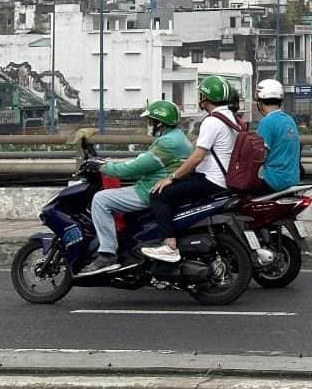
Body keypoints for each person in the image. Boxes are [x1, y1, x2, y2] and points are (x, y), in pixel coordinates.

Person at [81, 101, 191, 276]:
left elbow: (134, 168)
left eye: (150, 121)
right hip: (157, 185)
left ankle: (107, 254)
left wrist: (101, 167)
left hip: (149, 190)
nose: (148, 125)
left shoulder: (168, 142)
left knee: (101, 199)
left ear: (159, 123)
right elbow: (144, 161)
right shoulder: (176, 137)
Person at [142, 75, 238, 263]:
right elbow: (199, 148)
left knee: (159, 194)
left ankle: (169, 246)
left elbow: (197, 157)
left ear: (206, 97)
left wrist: (172, 176)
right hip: (224, 177)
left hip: (212, 180)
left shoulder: (212, 121)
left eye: (201, 94)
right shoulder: (230, 118)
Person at [252, 78, 302, 193]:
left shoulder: (266, 122)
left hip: (273, 181)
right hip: (292, 180)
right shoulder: (289, 120)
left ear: (260, 102)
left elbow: (260, 156)